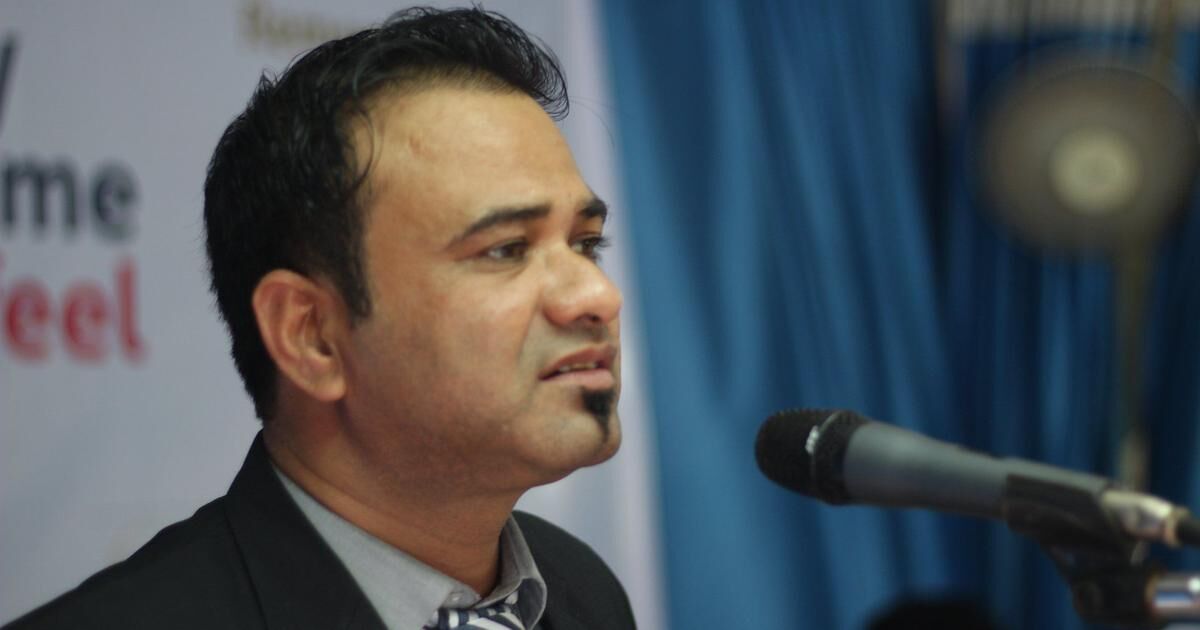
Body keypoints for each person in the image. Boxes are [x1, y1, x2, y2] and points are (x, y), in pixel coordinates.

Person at [6, 7, 635, 630]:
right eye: (505, 249)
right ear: (311, 336)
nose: (598, 295)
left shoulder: (583, 593)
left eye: (586, 243)